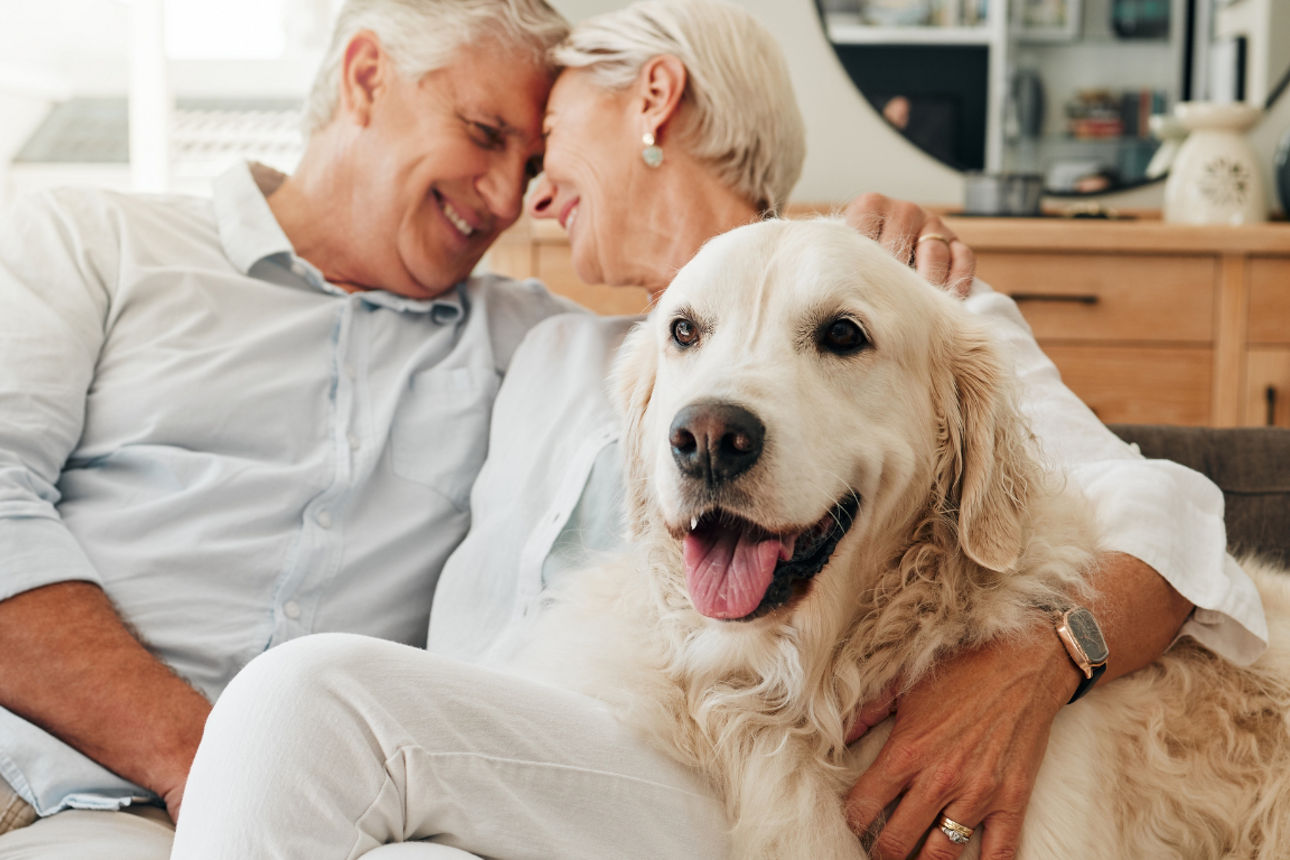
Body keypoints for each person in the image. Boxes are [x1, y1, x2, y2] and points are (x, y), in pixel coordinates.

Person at [169, 1, 1268, 859]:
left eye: (546, 138)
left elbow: (1158, 505)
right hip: (513, 760)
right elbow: (358, 312)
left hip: (740, 772)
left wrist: (1037, 661)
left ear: (655, 99)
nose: (527, 190)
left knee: (306, 700)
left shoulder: (912, 297)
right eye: (500, 146)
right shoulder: (546, 339)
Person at [0, 2, 575, 857]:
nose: (505, 200)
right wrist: (201, 757)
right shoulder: (94, 241)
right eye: (486, 134)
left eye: (531, 166)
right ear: (367, 76)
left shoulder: (539, 346)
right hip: (33, 781)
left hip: (317, 826)